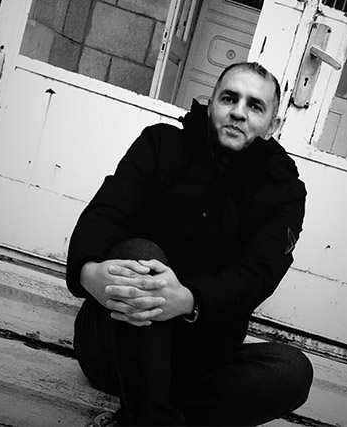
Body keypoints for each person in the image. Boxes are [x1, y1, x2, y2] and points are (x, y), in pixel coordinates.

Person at [66, 62, 313, 426]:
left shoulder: (284, 191)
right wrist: (90, 275)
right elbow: (105, 214)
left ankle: (143, 417)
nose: (238, 112)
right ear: (211, 103)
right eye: (229, 98)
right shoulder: (161, 144)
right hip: (116, 343)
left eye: (255, 106)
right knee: (141, 256)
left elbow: (257, 275)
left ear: (272, 125)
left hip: (198, 362)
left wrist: (188, 301)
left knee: (292, 371)